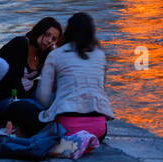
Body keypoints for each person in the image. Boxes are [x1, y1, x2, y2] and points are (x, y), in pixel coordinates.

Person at [35, 13, 113, 141]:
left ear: (68, 31)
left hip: (67, 129)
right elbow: (101, 90)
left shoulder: (56, 54)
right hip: (98, 130)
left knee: (24, 108)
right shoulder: (100, 55)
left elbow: (43, 97)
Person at [0, 17, 61, 134]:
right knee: (35, 108)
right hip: (4, 98)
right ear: (39, 31)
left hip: (23, 95)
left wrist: (54, 54)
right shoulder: (20, 44)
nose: (49, 40)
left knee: (54, 98)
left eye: (53, 39)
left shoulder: (44, 53)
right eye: (47, 35)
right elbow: (12, 82)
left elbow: (53, 79)